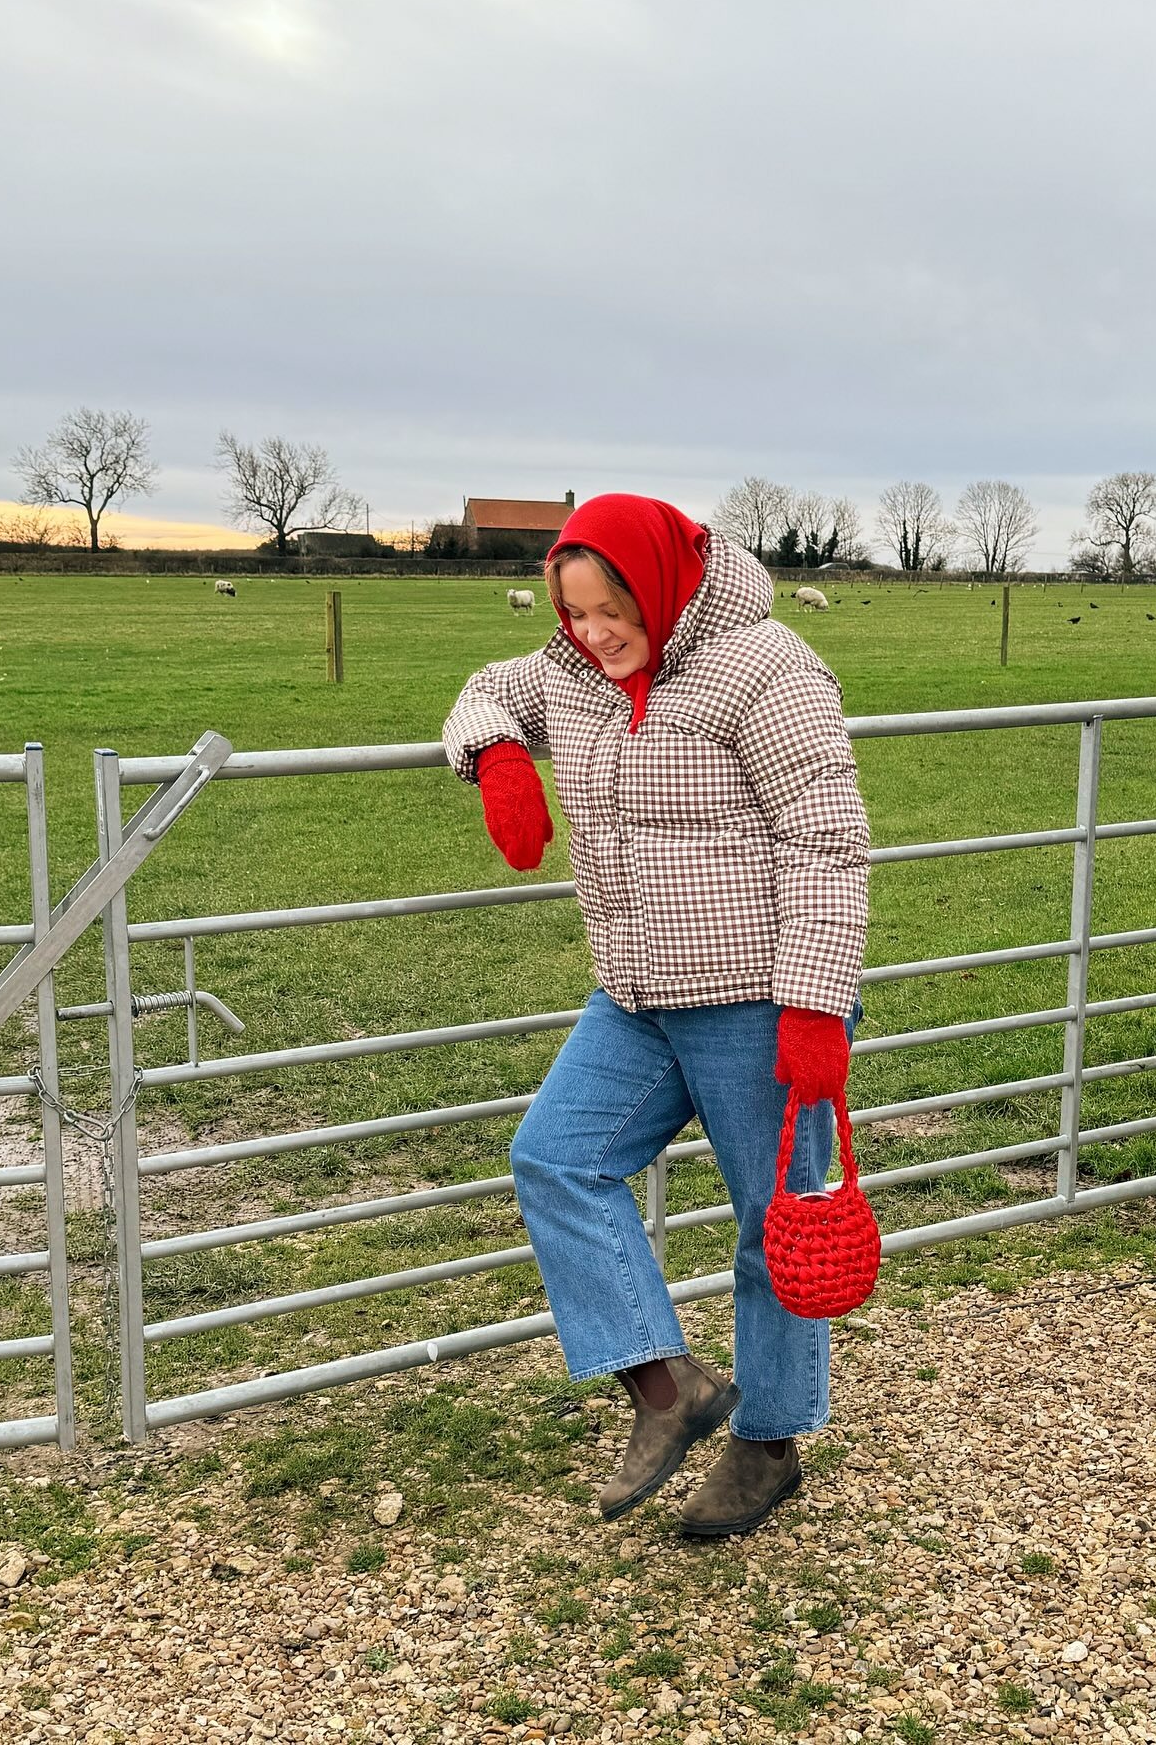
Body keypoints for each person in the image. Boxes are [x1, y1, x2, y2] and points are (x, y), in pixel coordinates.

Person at [442, 492, 870, 1538]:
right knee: (555, 1156)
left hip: (759, 1000)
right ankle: (668, 1389)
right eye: (574, 613)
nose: (591, 635)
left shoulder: (769, 669)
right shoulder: (572, 670)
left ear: (663, 588)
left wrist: (813, 1007)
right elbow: (486, 686)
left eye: (610, 613)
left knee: (773, 1231)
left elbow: (828, 843)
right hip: (635, 998)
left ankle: (767, 1445)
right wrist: (498, 757)